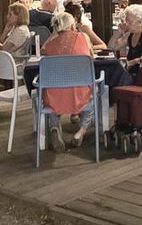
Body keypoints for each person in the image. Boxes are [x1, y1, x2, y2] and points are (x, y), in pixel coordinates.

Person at [39, 10, 98, 151]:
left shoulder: (50, 45)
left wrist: (54, 34)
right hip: (80, 94)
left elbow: (43, 50)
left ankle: (54, 127)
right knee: (95, 94)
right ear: (72, 25)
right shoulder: (83, 37)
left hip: (55, 96)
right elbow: (91, 56)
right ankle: (81, 131)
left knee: (49, 96)